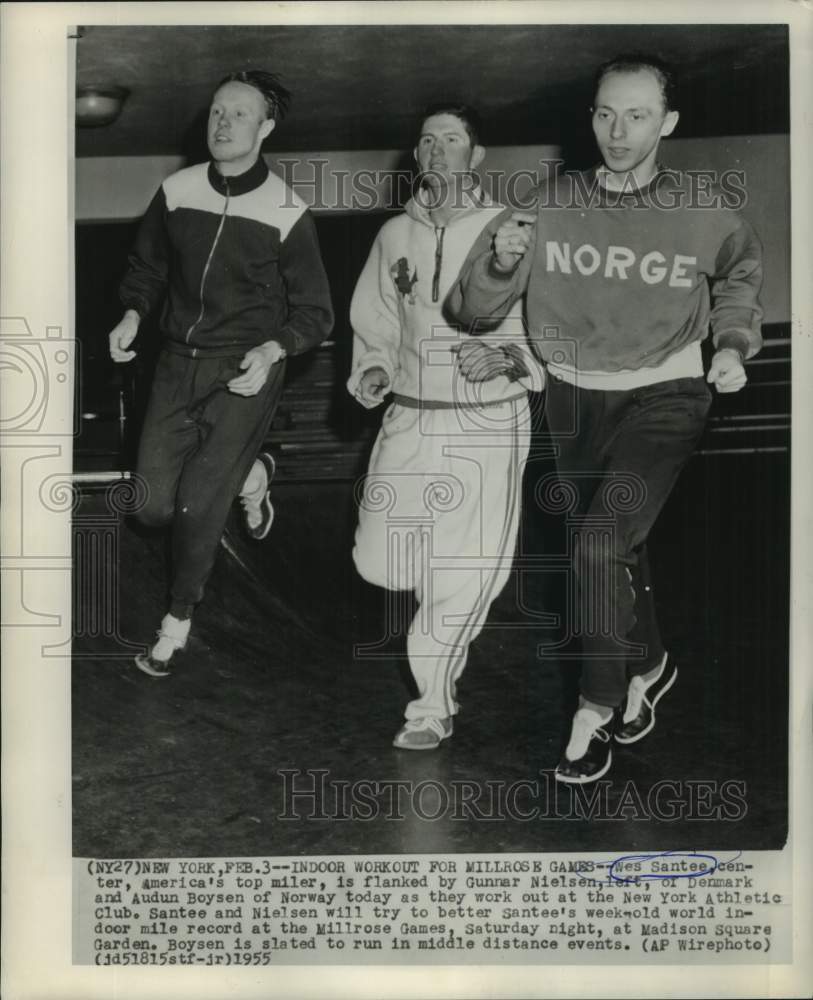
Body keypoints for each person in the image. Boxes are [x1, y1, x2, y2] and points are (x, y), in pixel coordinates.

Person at [446, 54, 763, 782]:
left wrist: (733, 344)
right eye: (604, 113)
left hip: (667, 394)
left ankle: (595, 706)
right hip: (571, 395)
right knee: (617, 547)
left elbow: (741, 275)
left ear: (668, 123)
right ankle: (647, 661)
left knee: (595, 545)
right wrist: (498, 260)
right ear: (589, 115)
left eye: (638, 115)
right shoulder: (545, 202)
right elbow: (469, 313)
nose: (617, 132)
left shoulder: (701, 208)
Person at [109, 69, 333, 677]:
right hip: (176, 363)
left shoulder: (287, 210)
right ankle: (256, 472)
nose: (222, 123)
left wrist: (271, 351)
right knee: (150, 506)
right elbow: (148, 268)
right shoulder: (177, 190)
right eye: (215, 111)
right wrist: (133, 313)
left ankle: (177, 621)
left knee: (201, 503)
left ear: (266, 127)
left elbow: (316, 312)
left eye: (239, 113)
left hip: (245, 369)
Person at [348, 103, 545, 749]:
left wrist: (510, 359)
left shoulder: (510, 229)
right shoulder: (392, 236)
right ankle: (435, 648)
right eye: (425, 139)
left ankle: (430, 706)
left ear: (476, 156)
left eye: (451, 139)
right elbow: (375, 319)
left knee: (459, 576)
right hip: (410, 416)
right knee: (382, 562)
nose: (435, 150)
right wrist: (374, 368)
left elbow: (553, 330)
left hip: (486, 421)